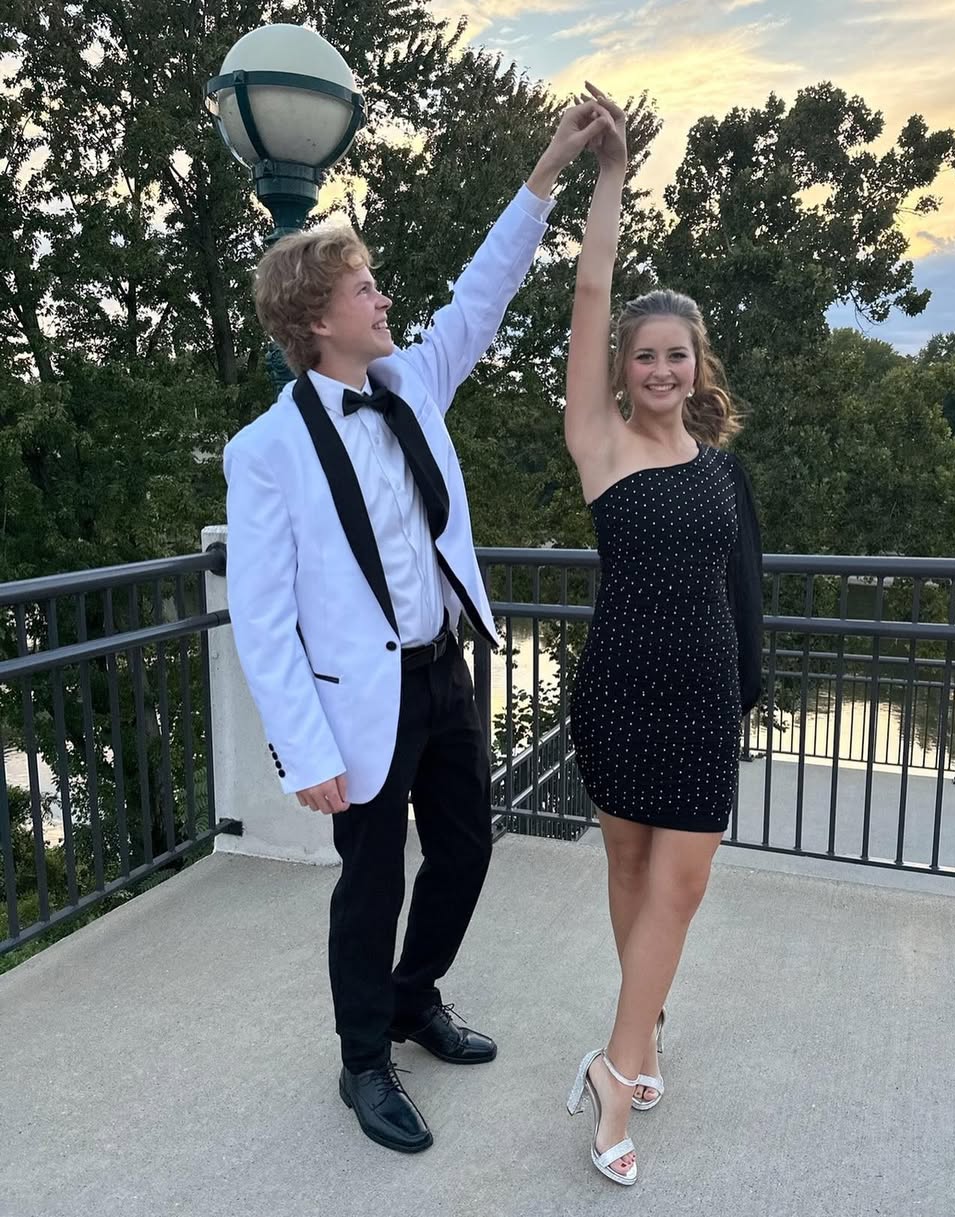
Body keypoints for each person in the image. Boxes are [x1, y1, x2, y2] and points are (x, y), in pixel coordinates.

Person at [223, 100, 611, 1156]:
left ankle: (412, 995)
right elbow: (262, 617)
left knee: (468, 848)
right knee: (371, 882)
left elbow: (483, 293)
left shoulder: (411, 386)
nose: (382, 296)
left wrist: (548, 169)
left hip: (443, 673)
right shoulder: (266, 451)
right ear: (316, 319)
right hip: (361, 702)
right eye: (364, 287)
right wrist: (303, 749)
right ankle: (363, 1061)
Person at [562, 84, 764, 1185]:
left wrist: (749, 697)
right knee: (632, 872)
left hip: (702, 702)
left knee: (680, 887)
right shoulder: (600, 446)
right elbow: (593, 287)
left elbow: (745, 598)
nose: (660, 370)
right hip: (620, 693)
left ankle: (613, 1064)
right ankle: (640, 1038)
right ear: (624, 368)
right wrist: (610, 174)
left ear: (698, 365)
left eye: (677, 355)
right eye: (644, 356)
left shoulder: (723, 473)